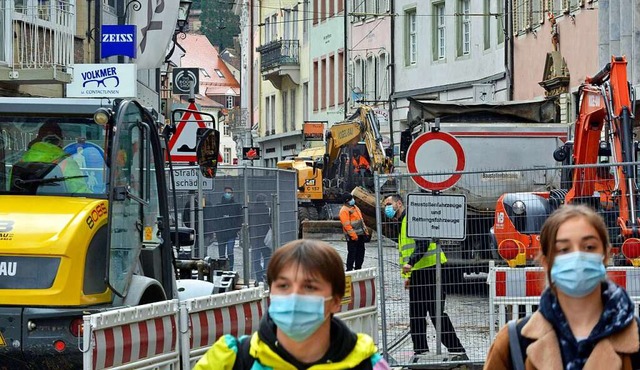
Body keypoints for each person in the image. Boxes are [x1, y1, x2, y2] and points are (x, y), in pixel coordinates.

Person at [193, 239, 391, 370]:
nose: (294, 296)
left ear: (336, 301)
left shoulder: (367, 365)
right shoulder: (230, 361)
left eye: (309, 287)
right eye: (284, 285)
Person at [484, 204, 640, 369]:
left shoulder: (637, 338)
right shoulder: (513, 344)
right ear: (546, 261)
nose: (577, 257)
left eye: (589, 247)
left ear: (605, 255)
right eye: (564, 249)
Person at [382, 194, 467, 361]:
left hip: (430, 270)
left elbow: (423, 244)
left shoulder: (412, 219)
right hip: (420, 272)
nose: (387, 208)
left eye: (389, 204)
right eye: (385, 205)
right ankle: (420, 351)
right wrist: (410, 275)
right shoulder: (403, 221)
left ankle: (456, 349)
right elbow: (408, 250)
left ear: (399, 203)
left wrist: (411, 263)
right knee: (417, 313)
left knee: (435, 312)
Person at [13, 121, 88, 193]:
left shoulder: (21, 161)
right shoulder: (66, 162)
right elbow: (80, 191)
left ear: (38, 139)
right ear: (61, 140)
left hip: (21, 205)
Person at [210, 186, 243, 269]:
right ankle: (222, 269)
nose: (228, 194)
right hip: (220, 234)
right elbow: (214, 219)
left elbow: (240, 218)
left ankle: (230, 269)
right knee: (221, 254)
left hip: (231, 234)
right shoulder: (218, 206)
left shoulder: (236, 206)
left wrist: (237, 229)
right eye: (226, 192)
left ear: (232, 194)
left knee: (230, 252)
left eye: (229, 192)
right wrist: (216, 229)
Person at [339, 193, 369, 271]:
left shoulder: (355, 208)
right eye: (351, 199)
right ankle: (349, 269)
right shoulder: (344, 211)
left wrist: (365, 231)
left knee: (360, 253)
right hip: (352, 237)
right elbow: (347, 226)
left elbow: (361, 221)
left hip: (360, 235)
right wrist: (353, 236)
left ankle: (358, 268)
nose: (353, 200)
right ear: (347, 201)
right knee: (352, 253)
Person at [249, 193, 272, 283]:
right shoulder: (267, 210)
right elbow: (271, 223)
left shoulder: (251, 210)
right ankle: (264, 272)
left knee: (256, 258)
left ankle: (258, 277)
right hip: (265, 237)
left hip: (254, 237)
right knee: (267, 256)